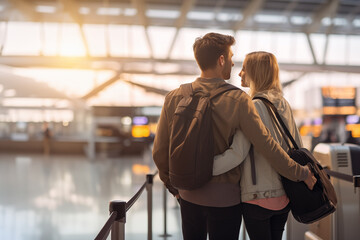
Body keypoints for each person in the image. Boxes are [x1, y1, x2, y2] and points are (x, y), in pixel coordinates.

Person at [152, 34, 316, 240]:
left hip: (188, 194)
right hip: (225, 200)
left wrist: (175, 187)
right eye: (230, 57)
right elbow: (268, 146)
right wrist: (300, 173)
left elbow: (160, 152)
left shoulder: (174, 97)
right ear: (221, 60)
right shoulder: (238, 100)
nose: (232, 62)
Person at [213, 51, 305, 240]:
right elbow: (299, 146)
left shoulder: (252, 106)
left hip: (258, 196)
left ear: (255, 72)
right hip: (285, 196)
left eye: (244, 68)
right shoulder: (283, 103)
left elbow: (237, 153)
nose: (239, 73)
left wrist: (203, 168)